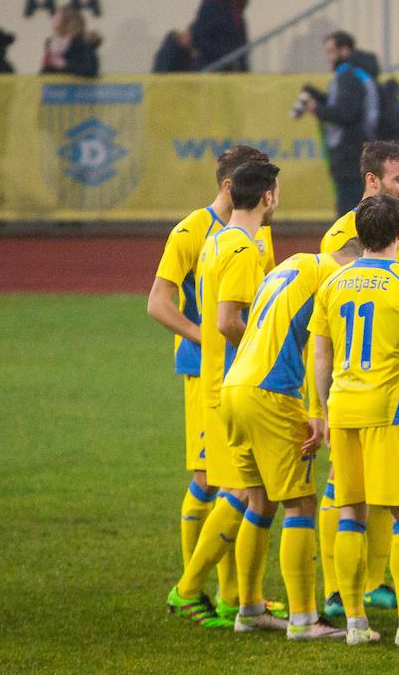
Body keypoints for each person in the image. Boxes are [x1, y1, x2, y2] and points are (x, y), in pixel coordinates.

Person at [149, 145, 276, 626]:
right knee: (213, 479)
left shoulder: (257, 230)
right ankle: (197, 588)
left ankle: (233, 596)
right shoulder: (191, 230)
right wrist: (207, 338)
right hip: (208, 370)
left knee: (234, 482)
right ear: (229, 185)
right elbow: (158, 303)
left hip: (245, 369)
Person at [311, 194, 399, 648]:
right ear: (398, 232)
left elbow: (321, 353)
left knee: (350, 512)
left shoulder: (334, 283)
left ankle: (354, 623)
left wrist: (325, 410)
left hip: (345, 408)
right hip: (392, 411)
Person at [220, 236, 363, 640]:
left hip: (235, 388)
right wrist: (319, 412)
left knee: (259, 500)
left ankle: (248, 610)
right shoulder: (335, 277)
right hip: (271, 392)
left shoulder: (293, 263)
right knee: (300, 502)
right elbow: (325, 350)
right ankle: (304, 619)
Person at [316, 139, 399, 618]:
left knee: (375, 492)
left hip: (385, 386)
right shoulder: (342, 237)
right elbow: (333, 328)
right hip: (357, 384)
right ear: (372, 181)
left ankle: (372, 582)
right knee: (344, 489)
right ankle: (338, 588)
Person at [308, 31, 380, 215]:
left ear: (344, 50)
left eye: (331, 51)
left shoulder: (348, 76)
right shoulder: (355, 74)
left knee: (350, 209)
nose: (328, 57)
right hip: (356, 149)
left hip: (350, 152)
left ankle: (349, 243)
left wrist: (317, 109)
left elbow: (346, 113)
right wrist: (320, 98)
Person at [192, 0, 249, 72]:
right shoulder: (212, 4)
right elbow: (200, 35)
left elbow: (241, 40)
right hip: (214, 66)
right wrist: (222, 56)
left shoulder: (237, 6)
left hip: (232, 66)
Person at [40, 6, 101, 77]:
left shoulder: (83, 42)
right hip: (55, 86)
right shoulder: (50, 42)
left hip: (79, 86)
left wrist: (66, 64)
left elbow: (91, 69)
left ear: (68, 20)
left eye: (57, 16)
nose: (53, 18)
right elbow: (46, 71)